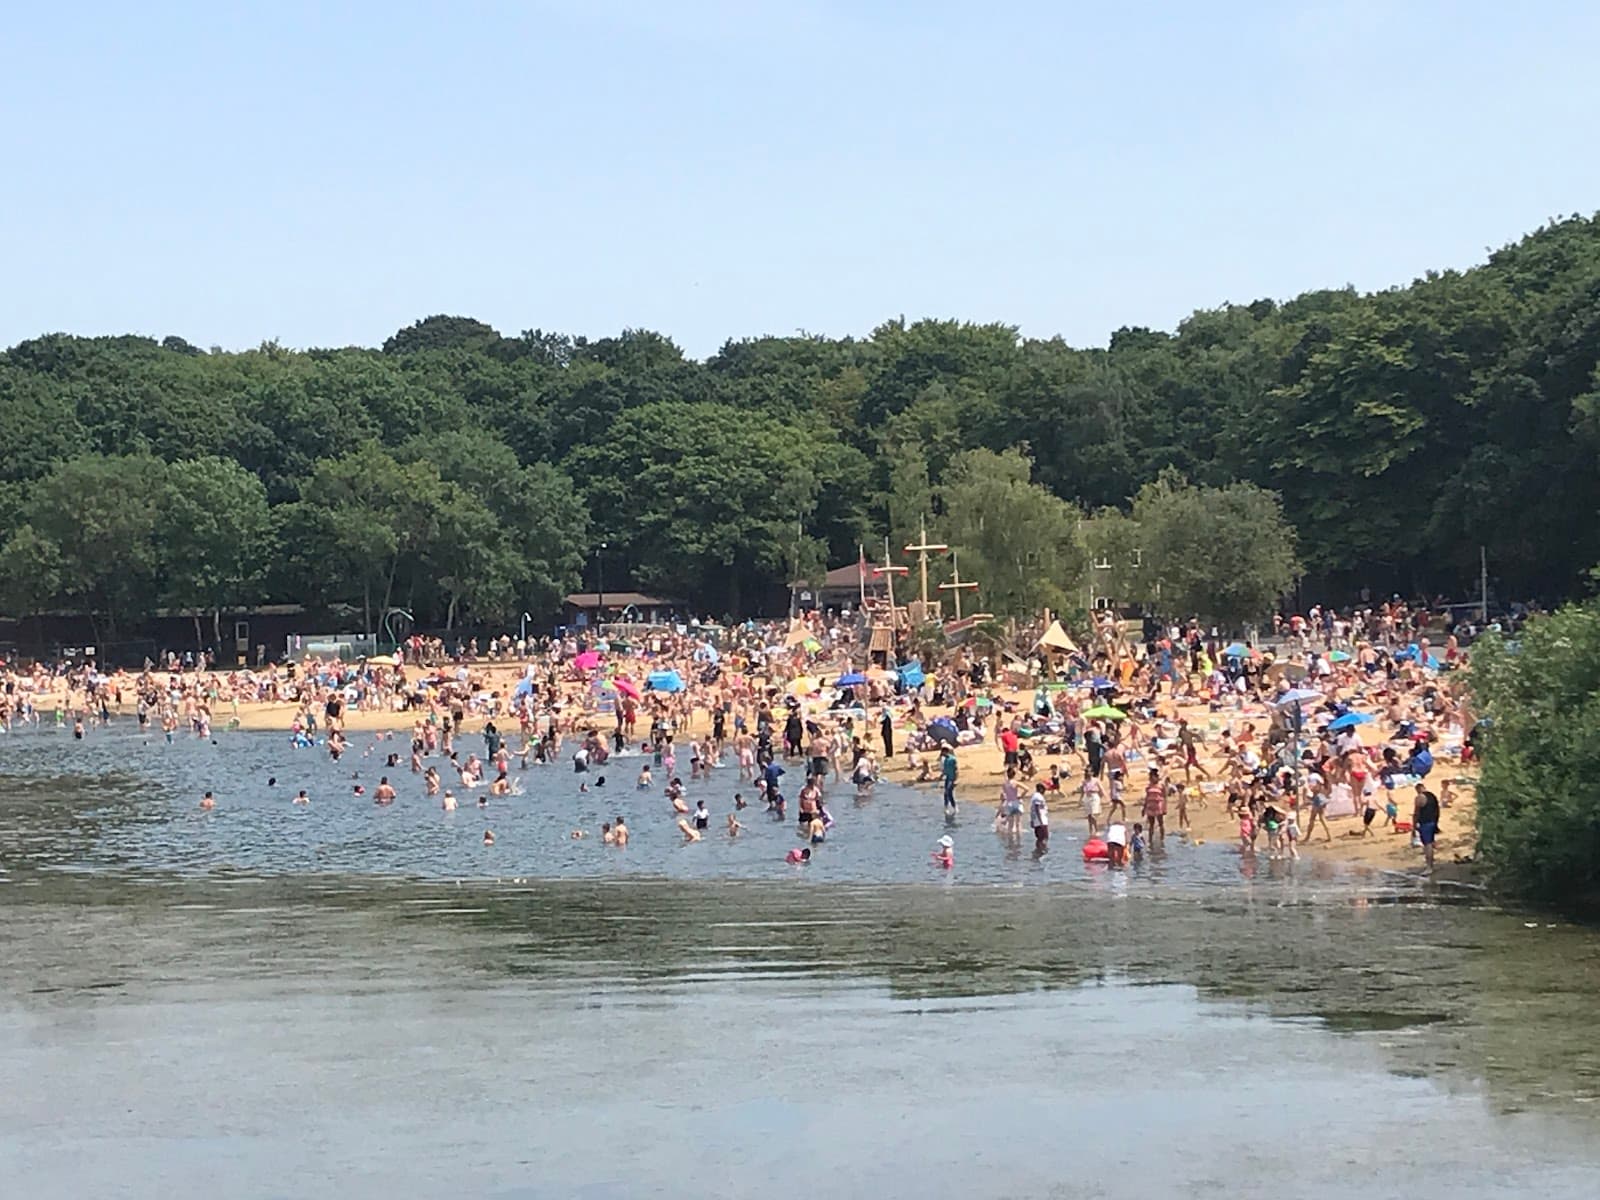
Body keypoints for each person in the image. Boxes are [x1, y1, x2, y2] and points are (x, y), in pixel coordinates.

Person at [1414, 783, 1441, 869]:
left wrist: (1414, 825)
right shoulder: (1432, 796)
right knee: (1431, 842)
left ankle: (1429, 866)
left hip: (1425, 822)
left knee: (1427, 844)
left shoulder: (1420, 798)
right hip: (1433, 821)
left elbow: (1416, 813)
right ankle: (1432, 861)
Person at [1029, 782, 1049, 849]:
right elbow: (1037, 809)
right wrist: (1041, 822)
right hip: (1041, 821)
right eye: (1044, 789)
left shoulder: (1034, 796)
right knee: (1044, 837)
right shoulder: (1038, 797)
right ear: (1040, 789)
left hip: (1036, 821)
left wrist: (1032, 820)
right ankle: (1042, 851)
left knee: (1040, 838)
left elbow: (1032, 810)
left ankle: (1038, 851)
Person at [939, 746, 958, 814]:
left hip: (952, 778)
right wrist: (941, 776)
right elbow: (945, 770)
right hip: (947, 778)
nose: (942, 753)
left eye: (943, 752)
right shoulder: (945, 760)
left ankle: (954, 807)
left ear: (946, 752)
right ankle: (946, 807)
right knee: (945, 794)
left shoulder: (952, 759)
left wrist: (955, 780)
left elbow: (956, 770)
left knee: (949, 793)